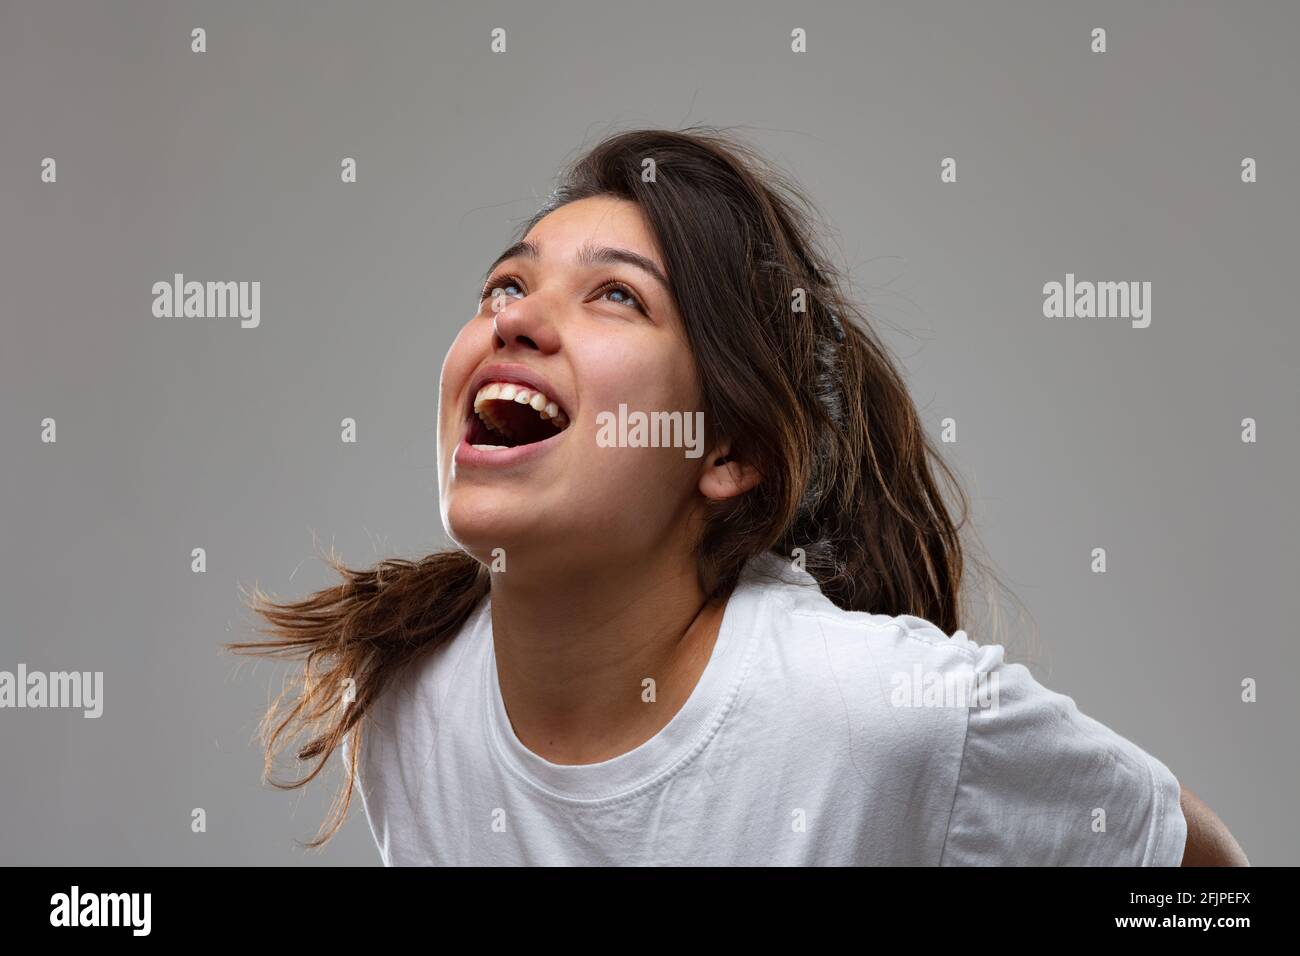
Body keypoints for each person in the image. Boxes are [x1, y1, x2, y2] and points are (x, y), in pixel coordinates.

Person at [229, 126, 1247, 866]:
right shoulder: (410, 708)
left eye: (616, 294)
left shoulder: (877, 715)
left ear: (728, 451)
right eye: (506, 284)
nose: (518, 320)